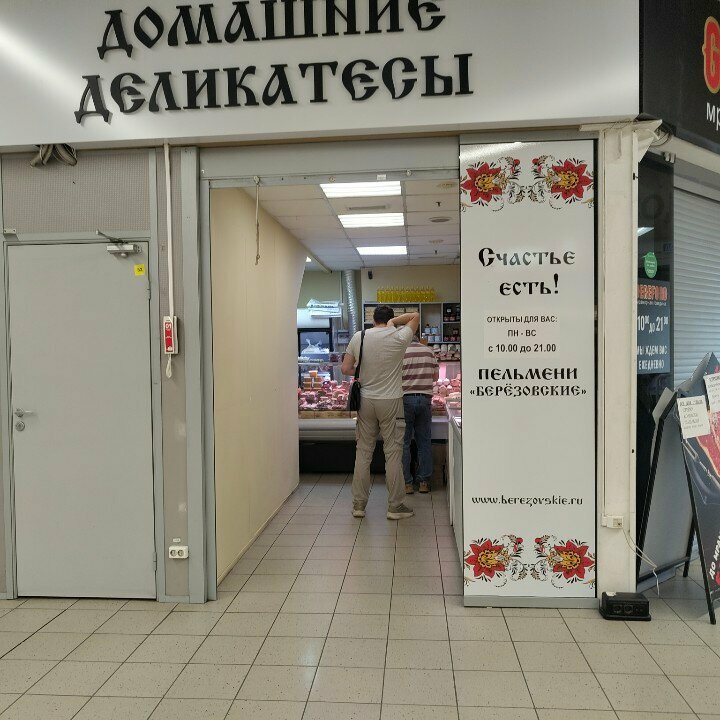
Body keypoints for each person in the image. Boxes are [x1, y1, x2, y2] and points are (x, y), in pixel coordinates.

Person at [341, 306, 420, 520]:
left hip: (366, 400)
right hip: (391, 400)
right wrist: (394, 323)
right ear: (390, 319)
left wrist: (363, 373)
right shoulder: (399, 336)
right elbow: (415, 316)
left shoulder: (360, 336)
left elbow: (346, 369)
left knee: (363, 452)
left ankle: (359, 505)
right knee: (393, 453)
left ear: (373, 319)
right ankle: (395, 506)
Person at [402, 337, 439, 494]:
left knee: (404, 443)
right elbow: (435, 377)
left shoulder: (401, 352)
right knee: (424, 442)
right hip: (425, 400)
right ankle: (423, 482)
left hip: (405, 400)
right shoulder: (429, 351)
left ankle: (407, 484)